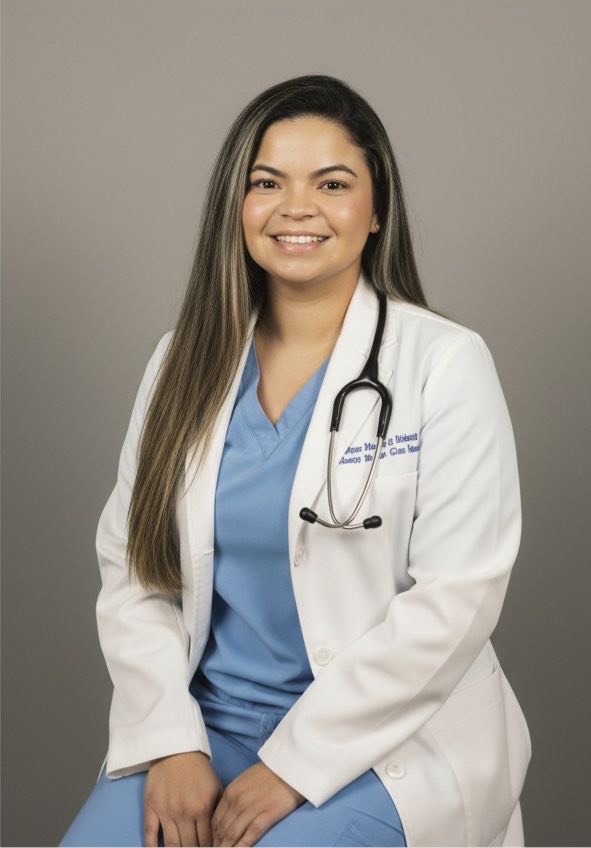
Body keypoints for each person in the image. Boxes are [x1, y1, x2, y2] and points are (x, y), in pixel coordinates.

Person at [59, 74, 531, 848]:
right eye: (266, 183)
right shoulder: (183, 361)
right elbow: (133, 569)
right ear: (235, 207)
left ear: (375, 210)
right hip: (204, 733)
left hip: (383, 744)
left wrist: (294, 765)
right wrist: (171, 740)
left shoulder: (442, 361)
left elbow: (457, 599)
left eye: (333, 183)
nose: (297, 208)